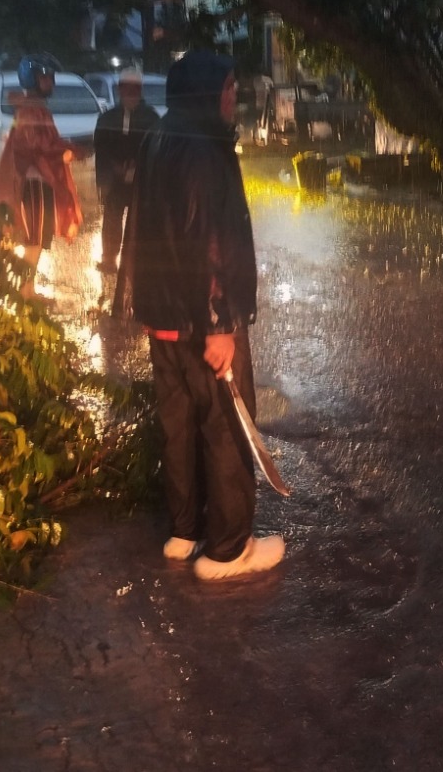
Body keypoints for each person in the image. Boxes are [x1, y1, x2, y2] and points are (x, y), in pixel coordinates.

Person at [125, 50, 284, 581]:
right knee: (225, 429)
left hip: (164, 321)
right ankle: (228, 551)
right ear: (205, 92)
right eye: (229, 89)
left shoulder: (157, 140)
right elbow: (208, 241)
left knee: (179, 428)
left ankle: (184, 530)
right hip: (203, 321)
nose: (233, 98)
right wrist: (219, 324)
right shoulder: (204, 149)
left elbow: (140, 231)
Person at [0, 67, 82, 266]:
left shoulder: (33, 107)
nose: (51, 83)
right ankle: (26, 288)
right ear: (33, 81)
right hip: (34, 181)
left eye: (51, 78)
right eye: (46, 79)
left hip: (39, 180)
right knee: (35, 237)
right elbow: (38, 145)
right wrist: (70, 149)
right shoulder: (31, 110)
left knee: (39, 236)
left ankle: (28, 287)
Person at [93, 68, 158, 277]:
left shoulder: (151, 118)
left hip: (142, 180)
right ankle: (109, 259)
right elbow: (101, 148)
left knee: (141, 221)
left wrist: (139, 168)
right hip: (115, 180)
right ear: (120, 90)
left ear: (140, 91)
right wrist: (115, 169)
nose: (130, 93)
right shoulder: (108, 118)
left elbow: (156, 148)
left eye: (135, 89)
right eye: (126, 88)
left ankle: (139, 261)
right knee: (112, 217)